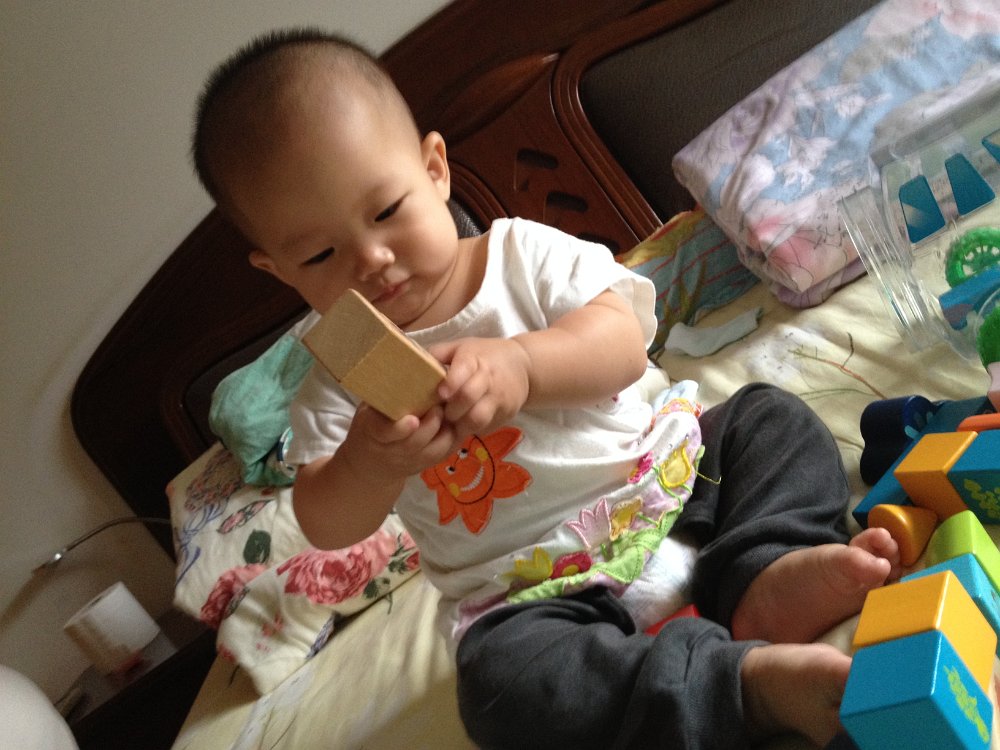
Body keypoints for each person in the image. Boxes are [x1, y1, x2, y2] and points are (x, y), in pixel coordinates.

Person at [191, 29, 901, 749]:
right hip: (536, 596)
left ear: (434, 170)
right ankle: (743, 687)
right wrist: (369, 462)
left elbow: (623, 344)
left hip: (672, 482)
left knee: (766, 420)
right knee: (500, 690)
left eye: (385, 211)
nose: (372, 258)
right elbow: (326, 523)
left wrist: (525, 365)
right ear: (278, 270)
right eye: (320, 254)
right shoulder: (341, 377)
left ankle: (766, 572)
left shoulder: (519, 255)